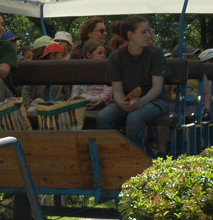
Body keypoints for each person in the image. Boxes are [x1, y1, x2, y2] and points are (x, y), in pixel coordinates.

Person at [96, 16, 169, 153]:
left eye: (149, 31)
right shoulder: (116, 57)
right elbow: (117, 91)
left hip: (156, 101)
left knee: (135, 117)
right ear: (130, 35)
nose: (149, 35)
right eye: (144, 32)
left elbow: (157, 87)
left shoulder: (155, 54)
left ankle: (136, 159)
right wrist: (121, 102)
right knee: (103, 117)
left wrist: (141, 102)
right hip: (129, 101)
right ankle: (109, 155)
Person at [70, 39, 111, 107]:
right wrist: (74, 100)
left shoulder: (106, 70)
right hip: (83, 104)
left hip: (101, 103)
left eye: (104, 53)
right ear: (89, 54)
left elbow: (108, 91)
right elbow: (75, 90)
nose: (103, 55)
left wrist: (101, 100)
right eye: (100, 53)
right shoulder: (81, 70)